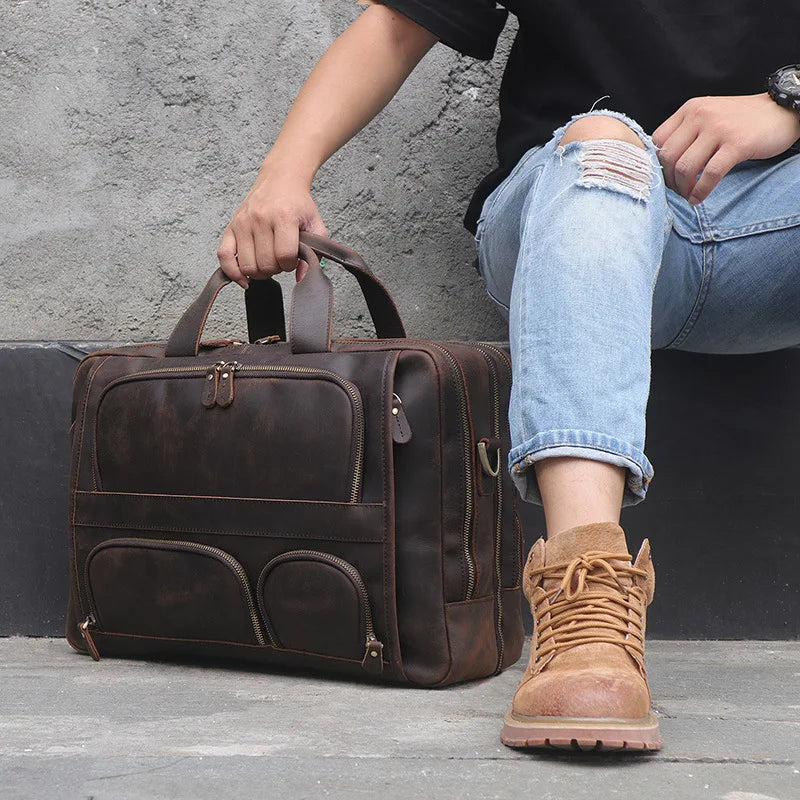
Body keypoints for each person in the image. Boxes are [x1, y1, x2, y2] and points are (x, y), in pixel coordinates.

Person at [216, 1, 800, 751]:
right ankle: (584, 595)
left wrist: (787, 101)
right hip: (574, 202)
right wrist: (282, 176)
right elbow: (396, 25)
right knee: (606, 144)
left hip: (769, 228)